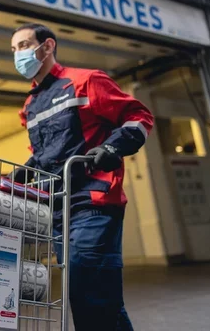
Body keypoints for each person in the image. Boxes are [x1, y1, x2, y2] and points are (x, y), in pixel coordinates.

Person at [10, 23, 154, 330]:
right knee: (99, 300)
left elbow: (139, 117)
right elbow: (51, 150)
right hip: (59, 210)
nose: (17, 54)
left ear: (47, 46)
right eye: (14, 49)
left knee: (87, 292)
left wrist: (113, 147)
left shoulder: (86, 81)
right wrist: (29, 165)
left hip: (94, 202)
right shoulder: (31, 104)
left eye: (23, 45)